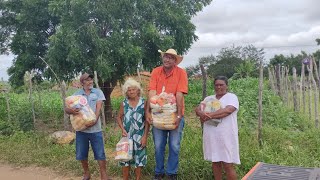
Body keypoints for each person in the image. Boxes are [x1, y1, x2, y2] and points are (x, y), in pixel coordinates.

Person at [146, 48, 188, 180]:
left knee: (174, 145)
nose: (167, 59)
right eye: (166, 56)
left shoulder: (181, 73)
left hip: (174, 113)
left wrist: (179, 115)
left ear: (175, 61)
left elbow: (180, 94)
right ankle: (159, 172)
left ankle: (171, 173)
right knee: (158, 145)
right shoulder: (156, 71)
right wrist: (147, 111)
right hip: (158, 114)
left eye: (171, 57)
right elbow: (152, 92)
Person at [65, 73, 110, 180]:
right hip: (81, 130)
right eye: (87, 80)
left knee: (100, 153)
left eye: (91, 80)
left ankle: (103, 175)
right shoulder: (77, 95)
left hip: (96, 129)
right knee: (82, 153)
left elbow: (99, 108)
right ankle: (86, 174)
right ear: (82, 83)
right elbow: (66, 109)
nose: (90, 82)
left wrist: (94, 120)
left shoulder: (98, 92)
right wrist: (71, 110)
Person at [195, 76, 240, 180]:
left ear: (226, 86)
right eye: (216, 85)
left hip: (226, 135)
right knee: (215, 162)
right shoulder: (209, 98)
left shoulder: (231, 97)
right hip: (211, 135)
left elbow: (228, 110)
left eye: (221, 85)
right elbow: (198, 109)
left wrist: (208, 115)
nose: (219, 87)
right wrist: (200, 113)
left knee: (228, 164)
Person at [117, 78, 150, 180]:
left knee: (139, 159)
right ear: (126, 92)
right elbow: (119, 117)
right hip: (127, 136)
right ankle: (125, 178)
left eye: (133, 89)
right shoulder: (124, 103)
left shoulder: (144, 103)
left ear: (138, 90)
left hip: (140, 135)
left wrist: (145, 136)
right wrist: (122, 129)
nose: (131, 92)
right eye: (129, 90)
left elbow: (147, 120)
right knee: (125, 158)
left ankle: (138, 178)